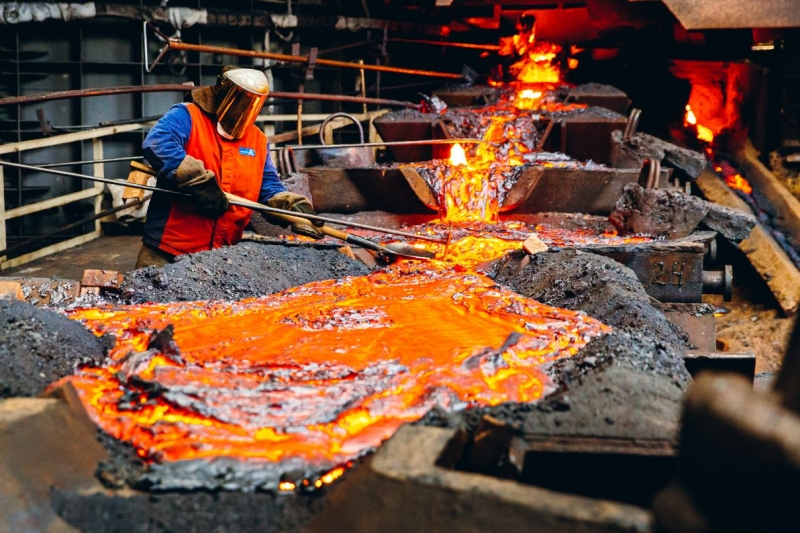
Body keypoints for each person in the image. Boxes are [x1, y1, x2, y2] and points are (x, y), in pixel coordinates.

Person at [135, 65, 321, 269]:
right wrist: (197, 181)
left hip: (221, 257)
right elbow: (158, 142)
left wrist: (292, 207)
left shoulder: (257, 140)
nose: (244, 109)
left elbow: (268, 186)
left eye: (253, 103)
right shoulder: (188, 116)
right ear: (222, 93)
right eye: (240, 100)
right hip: (168, 252)